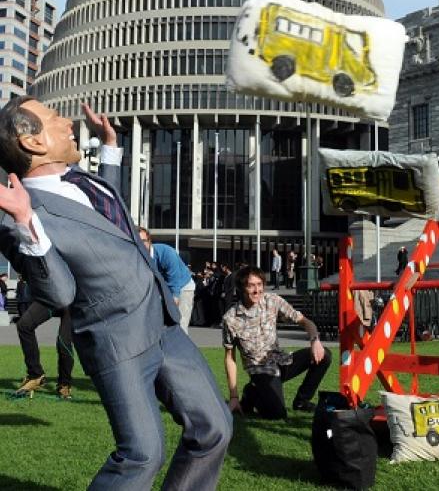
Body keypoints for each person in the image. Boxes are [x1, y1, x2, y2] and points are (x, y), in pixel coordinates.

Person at [0, 97, 231, 491]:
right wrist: (25, 220)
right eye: (55, 119)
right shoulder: (17, 215)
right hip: (117, 343)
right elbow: (58, 293)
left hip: (163, 323)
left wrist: (110, 147)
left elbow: (107, 218)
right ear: (32, 142)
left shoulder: (85, 179)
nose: (68, 123)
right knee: (142, 453)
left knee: (215, 428)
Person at [223, 265, 331, 420]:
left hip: (282, 361)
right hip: (260, 370)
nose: (257, 290)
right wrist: (233, 396)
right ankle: (251, 392)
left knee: (325, 355)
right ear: (241, 288)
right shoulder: (231, 318)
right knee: (277, 414)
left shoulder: (272, 301)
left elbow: (306, 322)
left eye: (260, 285)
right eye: (251, 285)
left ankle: (302, 401)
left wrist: (315, 340)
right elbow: (229, 358)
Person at [138, 227, 195, 334]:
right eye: (138, 241)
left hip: (183, 286)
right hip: (164, 289)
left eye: (143, 241)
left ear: (149, 241)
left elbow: (175, 279)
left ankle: (182, 349)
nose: (140, 244)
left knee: (180, 325)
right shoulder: (140, 257)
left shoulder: (166, 253)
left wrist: (175, 297)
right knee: (160, 325)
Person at [14, 301, 74, 399]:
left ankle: (64, 384)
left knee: (63, 343)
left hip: (73, 301)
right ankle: (35, 375)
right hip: (51, 297)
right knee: (24, 325)